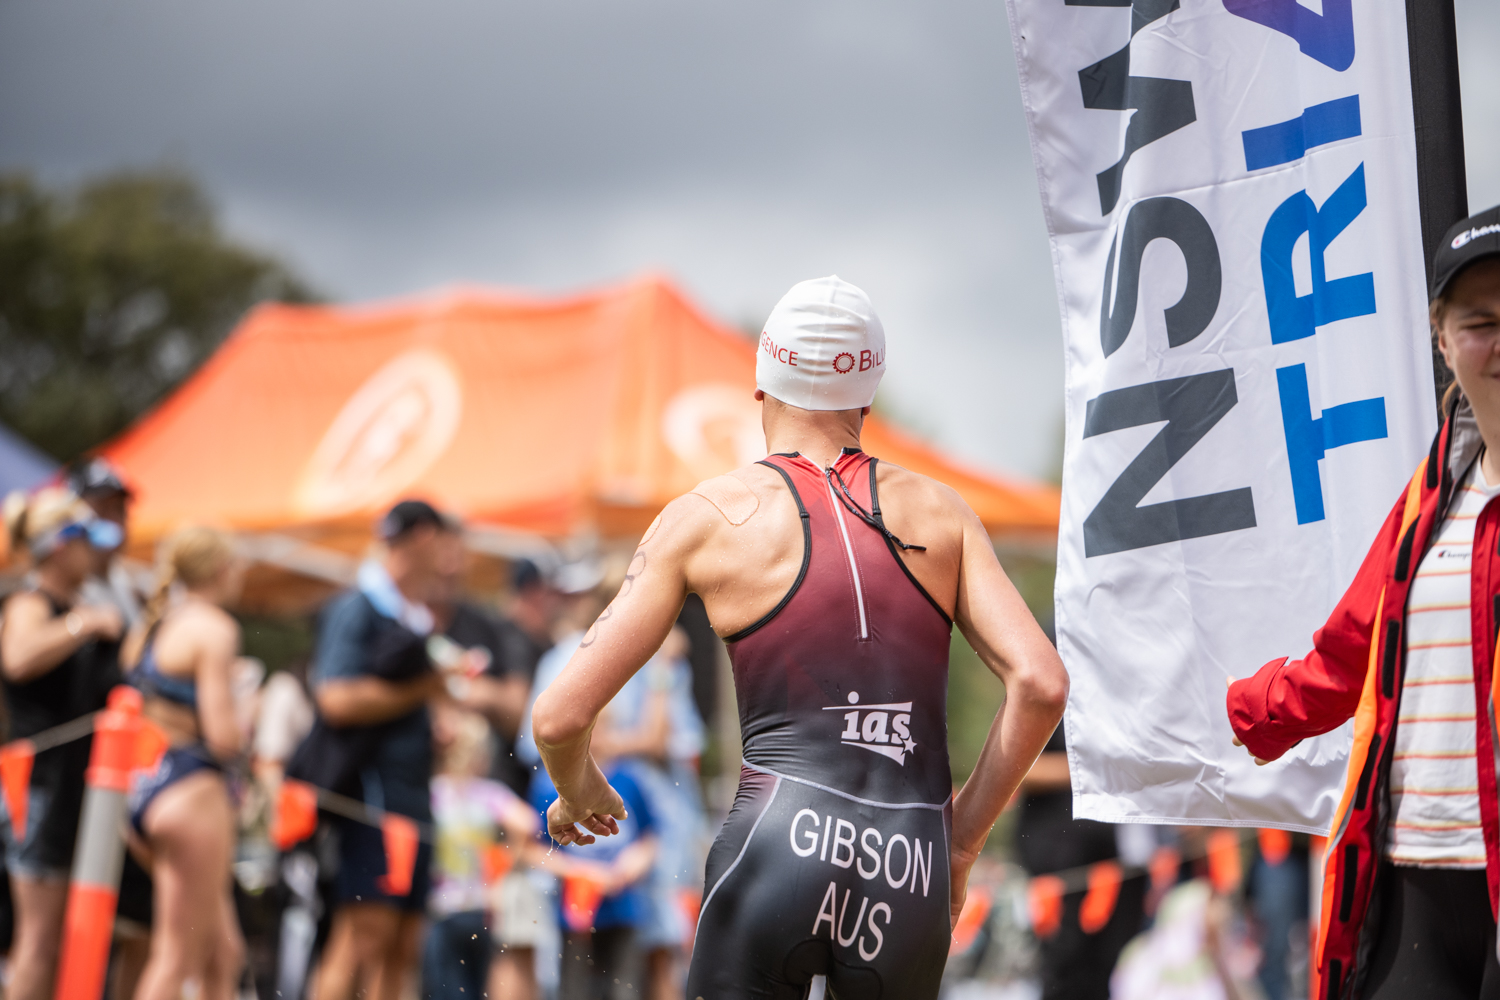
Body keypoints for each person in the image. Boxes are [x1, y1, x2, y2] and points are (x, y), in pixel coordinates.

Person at [531, 275, 1069, 998]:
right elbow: (1041, 684)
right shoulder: (944, 515)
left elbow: (558, 718)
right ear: (867, 399)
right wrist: (962, 843)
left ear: (760, 388)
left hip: (774, 845)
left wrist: (578, 788)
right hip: (909, 864)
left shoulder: (706, 518)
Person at [1227, 206, 1500, 1000]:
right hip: (1412, 872)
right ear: (1442, 339)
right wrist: (1242, 711)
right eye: (1480, 322)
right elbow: (1354, 649)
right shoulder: (1429, 499)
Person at [308, 499, 453, 1000]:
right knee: (361, 939)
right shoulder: (360, 607)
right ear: (425, 537)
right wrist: (422, 690)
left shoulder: (411, 614)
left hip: (410, 798)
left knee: (402, 943)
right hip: (372, 799)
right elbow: (336, 699)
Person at [0, 487, 125, 1000]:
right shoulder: (32, 603)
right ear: (60, 545)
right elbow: (18, 658)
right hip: (38, 787)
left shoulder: (80, 604)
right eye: (85, 540)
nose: (94, 552)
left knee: (64, 942)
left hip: (74, 790)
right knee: (38, 941)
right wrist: (83, 624)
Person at [121, 526, 249, 1000]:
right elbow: (222, 738)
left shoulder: (151, 626)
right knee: (176, 959)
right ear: (221, 569)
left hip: (145, 789)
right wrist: (247, 712)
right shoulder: (214, 628)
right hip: (190, 793)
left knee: (224, 954)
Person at [1014, 729, 1146, 1000]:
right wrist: (1093, 769)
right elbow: (1016, 768)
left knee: (1111, 959)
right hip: (1059, 857)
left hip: (1118, 859)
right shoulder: (1052, 702)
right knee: (1064, 961)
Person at [422, 704, 541, 1000]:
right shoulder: (489, 794)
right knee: (478, 989)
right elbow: (528, 823)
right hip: (482, 905)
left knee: (445, 989)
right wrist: (505, 862)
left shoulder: (434, 793)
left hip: (442, 908)